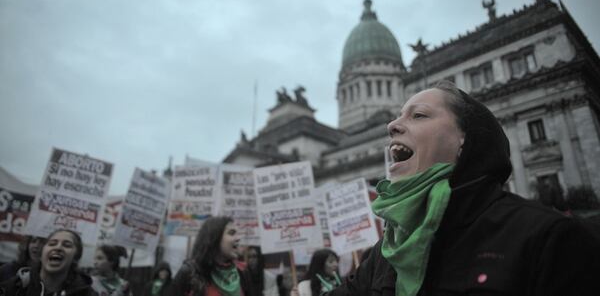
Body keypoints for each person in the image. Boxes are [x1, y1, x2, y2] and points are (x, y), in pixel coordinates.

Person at [323, 81, 600, 296]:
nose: (392, 125)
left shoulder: (549, 239)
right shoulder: (386, 253)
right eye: (398, 117)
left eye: (418, 115)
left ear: (464, 141)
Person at [169, 216, 254, 296]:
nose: (238, 238)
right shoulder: (189, 272)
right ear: (214, 237)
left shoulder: (242, 272)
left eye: (237, 234)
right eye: (231, 233)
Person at [0, 229, 95, 296]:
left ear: (76, 257)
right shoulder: (14, 288)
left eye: (67, 245)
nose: (58, 248)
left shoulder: (87, 293)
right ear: (42, 254)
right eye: (52, 243)